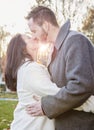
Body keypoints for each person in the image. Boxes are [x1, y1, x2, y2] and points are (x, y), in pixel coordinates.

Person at [26, 6, 94, 130]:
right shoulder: (56, 50)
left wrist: (46, 106)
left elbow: (81, 85)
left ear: (46, 25)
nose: (34, 37)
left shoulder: (75, 41)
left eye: (34, 31)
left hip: (80, 125)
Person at [5, 33, 60, 130]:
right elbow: (62, 96)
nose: (34, 37)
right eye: (28, 38)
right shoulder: (30, 70)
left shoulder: (27, 68)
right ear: (22, 48)